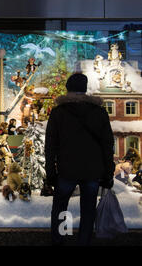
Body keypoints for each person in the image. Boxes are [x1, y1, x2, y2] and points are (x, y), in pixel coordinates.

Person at [45, 73, 115, 246]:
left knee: (61, 208)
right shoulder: (99, 112)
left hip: (66, 169)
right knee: (88, 209)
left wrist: (50, 172)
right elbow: (107, 144)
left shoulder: (58, 112)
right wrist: (108, 172)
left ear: (68, 89)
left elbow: (51, 145)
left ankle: (60, 240)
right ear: (85, 89)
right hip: (92, 170)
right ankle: (83, 242)